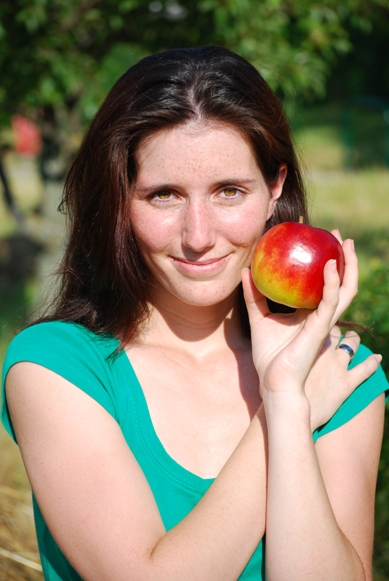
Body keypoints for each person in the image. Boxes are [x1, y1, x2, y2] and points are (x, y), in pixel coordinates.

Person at [1, 46, 388, 581]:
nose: (199, 236)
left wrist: (290, 396)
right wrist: (284, 407)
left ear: (275, 187)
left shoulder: (342, 375)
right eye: (163, 196)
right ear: (120, 200)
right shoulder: (58, 368)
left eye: (230, 191)